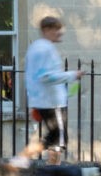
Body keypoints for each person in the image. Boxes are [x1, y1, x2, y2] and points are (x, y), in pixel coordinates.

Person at [21, 15, 79, 163]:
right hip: (53, 102)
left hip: (45, 101)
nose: (60, 32)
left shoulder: (36, 47)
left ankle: (20, 161)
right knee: (57, 143)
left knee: (53, 141)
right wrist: (72, 75)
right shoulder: (44, 49)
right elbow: (46, 77)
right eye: (56, 29)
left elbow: (32, 77)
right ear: (46, 30)